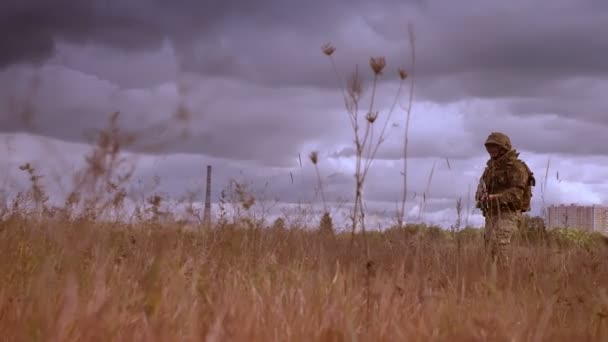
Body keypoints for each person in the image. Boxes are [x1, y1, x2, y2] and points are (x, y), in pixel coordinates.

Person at [476, 132, 532, 286]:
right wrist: (481, 197)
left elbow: (516, 194)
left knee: (500, 243)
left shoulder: (516, 167)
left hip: (508, 213)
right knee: (489, 247)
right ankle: (493, 281)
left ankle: (506, 280)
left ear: (503, 148)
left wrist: (495, 197)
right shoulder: (490, 169)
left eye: (494, 146)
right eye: (489, 147)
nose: (491, 150)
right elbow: (480, 188)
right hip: (492, 213)